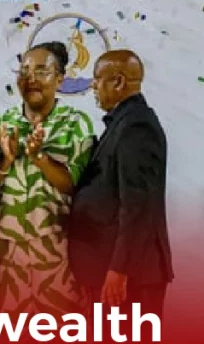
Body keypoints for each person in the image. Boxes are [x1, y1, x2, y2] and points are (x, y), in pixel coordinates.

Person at [0, 42, 95, 317]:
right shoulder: (2, 123)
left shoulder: (76, 123)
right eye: (24, 70)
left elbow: (73, 186)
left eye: (42, 71)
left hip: (58, 252)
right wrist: (6, 160)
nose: (30, 78)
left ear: (60, 79)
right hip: (5, 254)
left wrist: (39, 158)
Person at [69, 50, 173, 319]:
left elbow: (138, 206)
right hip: (113, 271)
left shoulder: (137, 126)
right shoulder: (123, 122)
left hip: (130, 277)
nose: (93, 85)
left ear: (117, 82)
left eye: (97, 79)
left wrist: (119, 270)